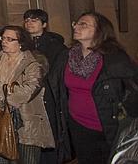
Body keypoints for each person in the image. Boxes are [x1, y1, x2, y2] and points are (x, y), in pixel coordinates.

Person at [48, 12, 138, 164]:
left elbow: (132, 91)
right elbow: (57, 88)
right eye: (76, 23)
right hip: (77, 124)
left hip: (107, 127)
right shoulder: (66, 56)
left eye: (83, 24)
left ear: (100, 30)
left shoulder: (114, 58)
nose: (76, 26)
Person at [0, 25, 54, 164]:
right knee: (3, 159)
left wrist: (5, 98)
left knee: (28, 159)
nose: (4, 42)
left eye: (10, 39)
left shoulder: (32, 63)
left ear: (21, 43)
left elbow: (30, 90)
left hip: (26, 120)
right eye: (3, 38)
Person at [22, 9, 66, 164]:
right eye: (27, 20)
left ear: (44, 24)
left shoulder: (55, 45)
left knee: (49, 133)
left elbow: (58, 73)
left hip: (48, 94)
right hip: (28, 95)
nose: (29, 23)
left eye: (34, 20)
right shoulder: (22, 44)